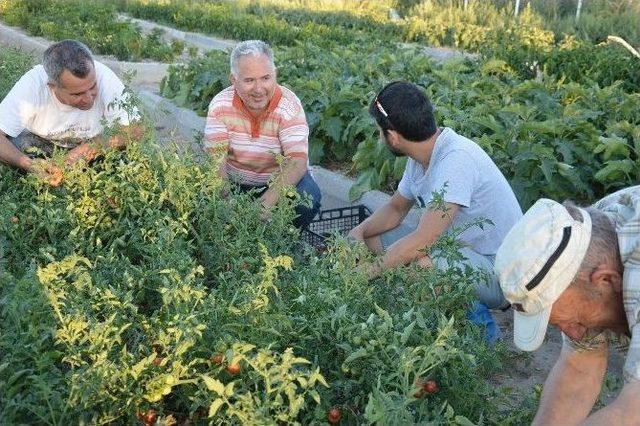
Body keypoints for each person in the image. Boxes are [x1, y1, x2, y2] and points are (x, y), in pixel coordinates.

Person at [348, 81, 522, 316]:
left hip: (501, 272)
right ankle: (396, 302)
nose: (379, 138)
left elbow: (424, 240)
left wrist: (368, 271)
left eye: (380, 132)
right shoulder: (421, 158)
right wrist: (359, 232)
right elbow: (396, 209)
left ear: (393, 136)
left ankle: (477, 335)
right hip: (461, 252)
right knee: (374, 235)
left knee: (422, 266)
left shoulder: (455, 160)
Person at [494, 186, 640, 424]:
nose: (574, 333)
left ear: (606, 280)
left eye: (575, 321)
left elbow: (632, 412)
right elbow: (579, 366)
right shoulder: (588, 234)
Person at [203, 40, 321, 229]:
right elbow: (216, 161)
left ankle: (284, 242)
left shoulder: (288, 106)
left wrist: (263, 205)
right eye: (249, 80)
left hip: (277, 182)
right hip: (236, 184)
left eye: (265, 78)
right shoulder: (220, 106)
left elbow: (297, 162)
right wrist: (227, 202)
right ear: (234, 80)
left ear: (275, 74)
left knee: (306, 196)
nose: (259, 89)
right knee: (204, 196)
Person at [0, 39, 140, 186]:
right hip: (39, 143)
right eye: (77, 94)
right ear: (52, 87)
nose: (89, 99)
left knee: (122, 161)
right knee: (14, 153)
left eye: (92, 87)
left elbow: (136, 129)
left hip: (92, 143)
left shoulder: (105, 77)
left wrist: (94, 146)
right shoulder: (32, 84)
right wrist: (29, 165)